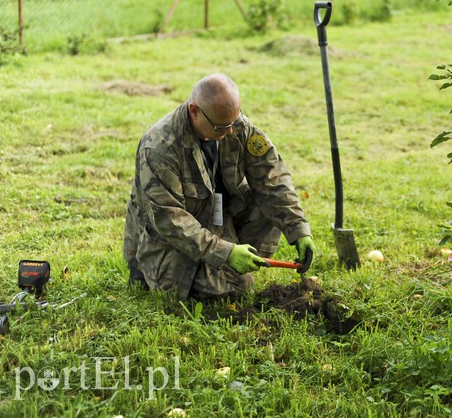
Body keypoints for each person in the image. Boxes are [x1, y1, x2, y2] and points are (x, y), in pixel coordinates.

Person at [123, 73, 316, 300]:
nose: (231, 132)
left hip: (215, 219)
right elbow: (169, 220)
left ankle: (236, 262)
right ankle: (154, 273)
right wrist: (226, 252)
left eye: (233, 123)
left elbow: (272, 178)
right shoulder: (159, 148)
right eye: (221, 127)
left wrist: (298, 228)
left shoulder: (231, 125)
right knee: (220, 293)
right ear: (194, 111)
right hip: (168, 239)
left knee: (240, 282)